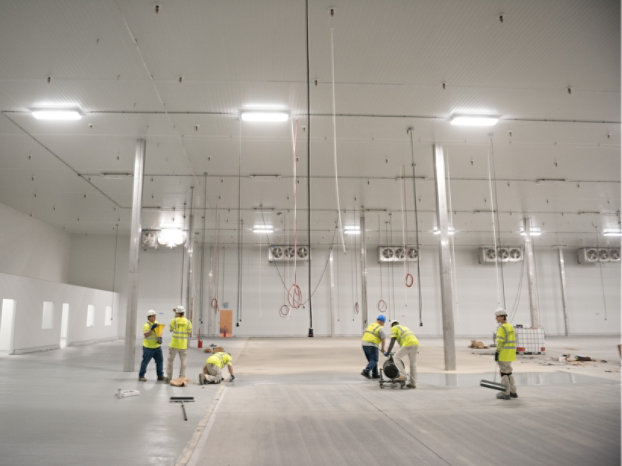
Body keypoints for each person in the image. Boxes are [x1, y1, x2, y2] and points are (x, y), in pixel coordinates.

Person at [384, 321, 420, 388]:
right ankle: (413, 383)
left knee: (396, 357)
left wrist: (388, 352)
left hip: (408, 344)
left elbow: (393, 340)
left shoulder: (394, 327)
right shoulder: (404, 327)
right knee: (413, 364)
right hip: (415, 344)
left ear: (392, 325)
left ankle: (403, 375)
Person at [494, 309, 518, 400]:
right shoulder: (510, 327)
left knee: (504, 373)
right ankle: (513, 392)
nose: (496, 318)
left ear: (501, 317)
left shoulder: (501, 328)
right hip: (511, 354)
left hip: (503, 354)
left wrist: (497, 351)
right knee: (509, 372)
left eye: (497, 317)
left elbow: (500, 342)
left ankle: (505, 393)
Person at [165, 305, 193, 382]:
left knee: (170, 361)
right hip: (183, 345)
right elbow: (189, 332)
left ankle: (169, 377)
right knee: (183, 361)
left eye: (176, 312)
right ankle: (182, 376)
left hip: (174, 344)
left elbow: (170, 330)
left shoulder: (174, 321)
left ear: (177, 313)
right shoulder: (188, 322)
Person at [138, 309, 165, 382]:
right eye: (153, 316)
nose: (154, 317)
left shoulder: (157, 323)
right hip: (148, 348)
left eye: (155, 316)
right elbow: (146, 335)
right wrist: (152, 329)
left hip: (157, 347)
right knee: (145, 362)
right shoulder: (146, 325)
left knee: (160, 361)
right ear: (149, 317)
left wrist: (160, 337)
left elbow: (159, 331)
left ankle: (160, 375)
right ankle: (141, 376)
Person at [361, 315, 387, 379]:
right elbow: (383, 339)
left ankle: (375, 374)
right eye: (384, 322)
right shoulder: (379, 328)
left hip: (364, 345)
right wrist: (383, 348)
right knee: (374, 360)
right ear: (381, 321)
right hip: (372, 345)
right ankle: (366, 371)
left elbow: (364, 333)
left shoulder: (370, 326)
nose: (384, 324)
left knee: (371, 360)